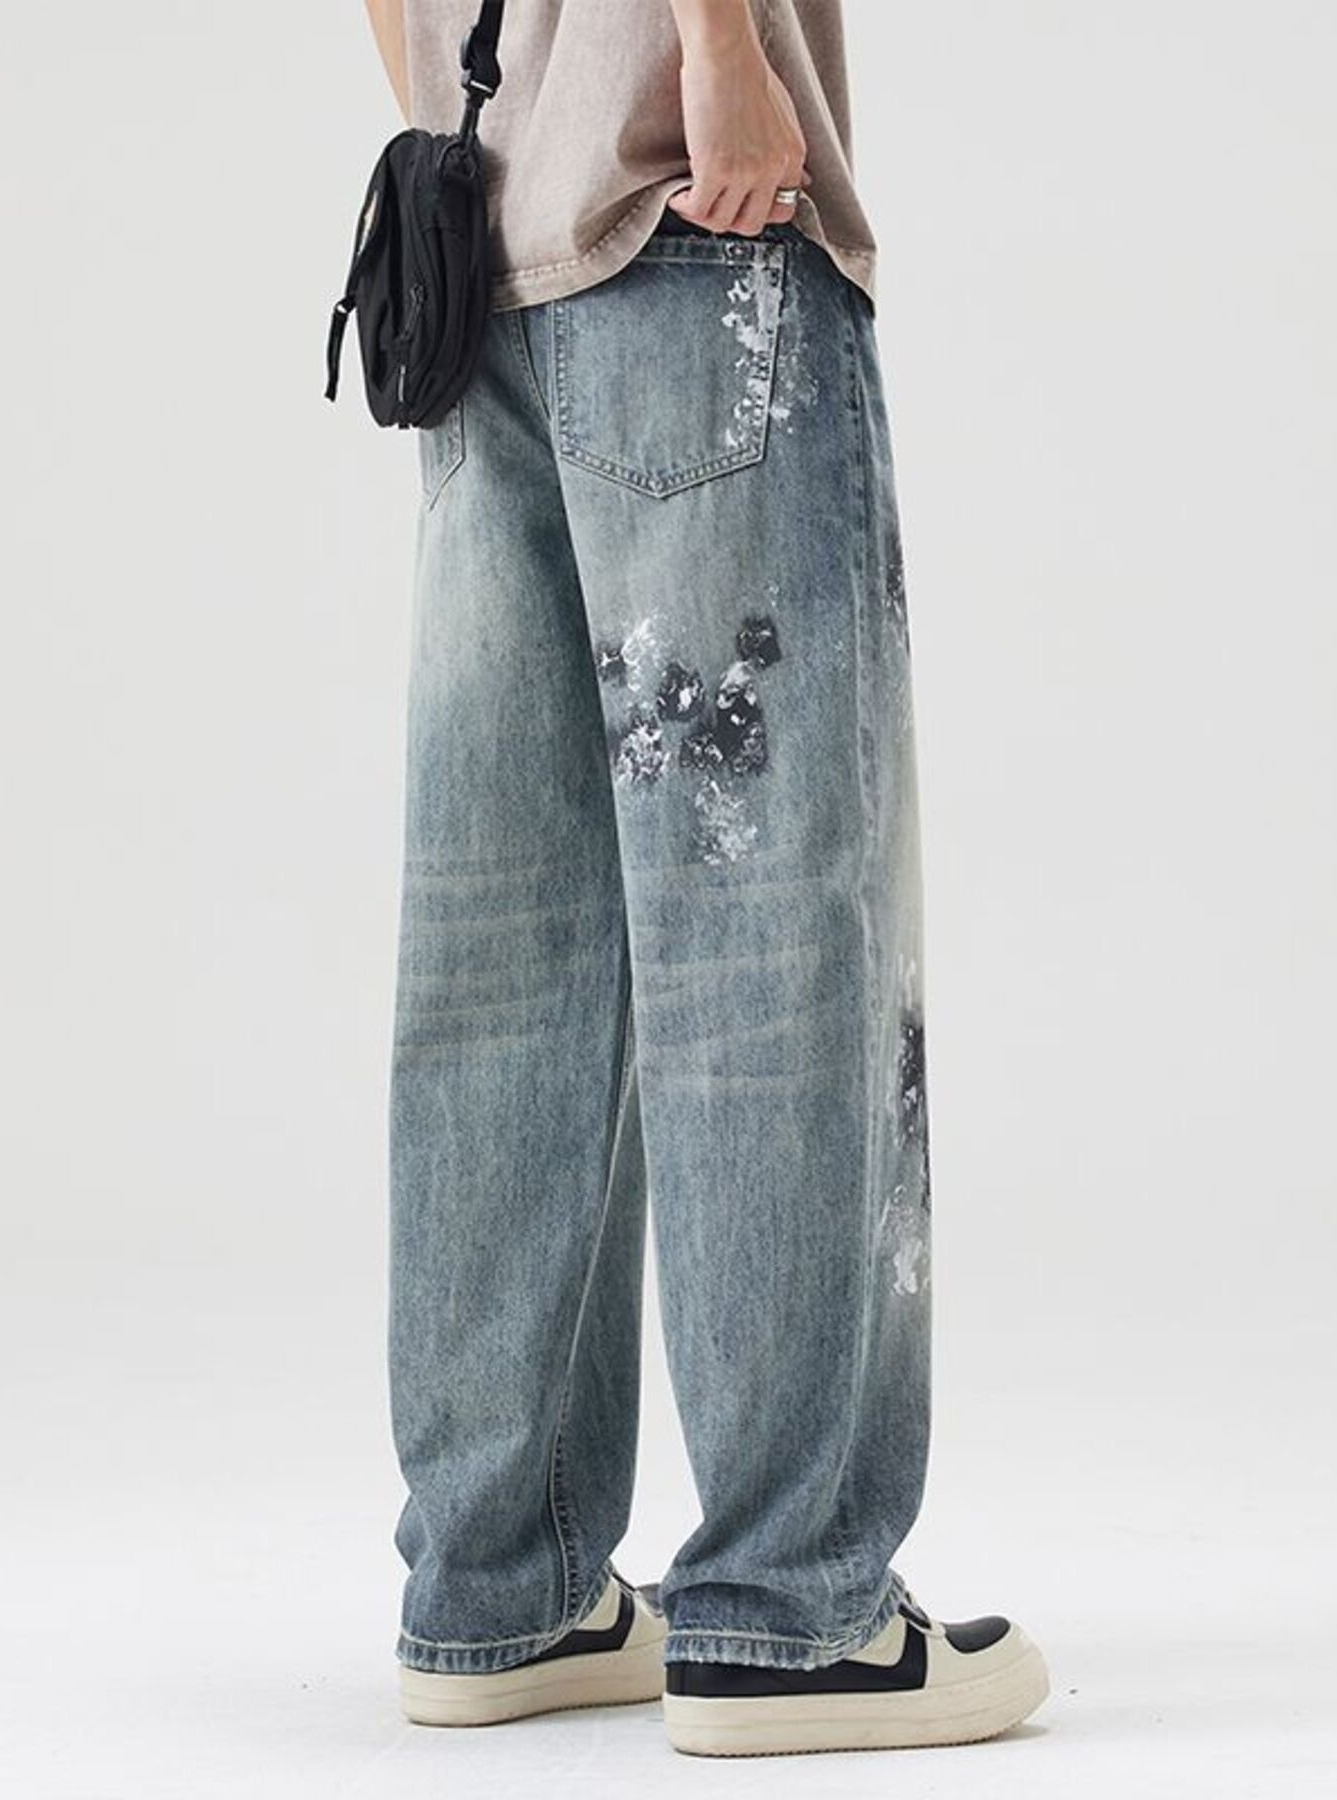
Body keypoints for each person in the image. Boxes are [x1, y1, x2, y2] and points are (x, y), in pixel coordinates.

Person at [362, 0, 1048, 1759]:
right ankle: (788, 1608)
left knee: (509, 958)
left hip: (478, 249)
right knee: (769, 939)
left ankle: (497, 1586)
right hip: (693, 224)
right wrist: (722, 60)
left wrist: (465, 122)